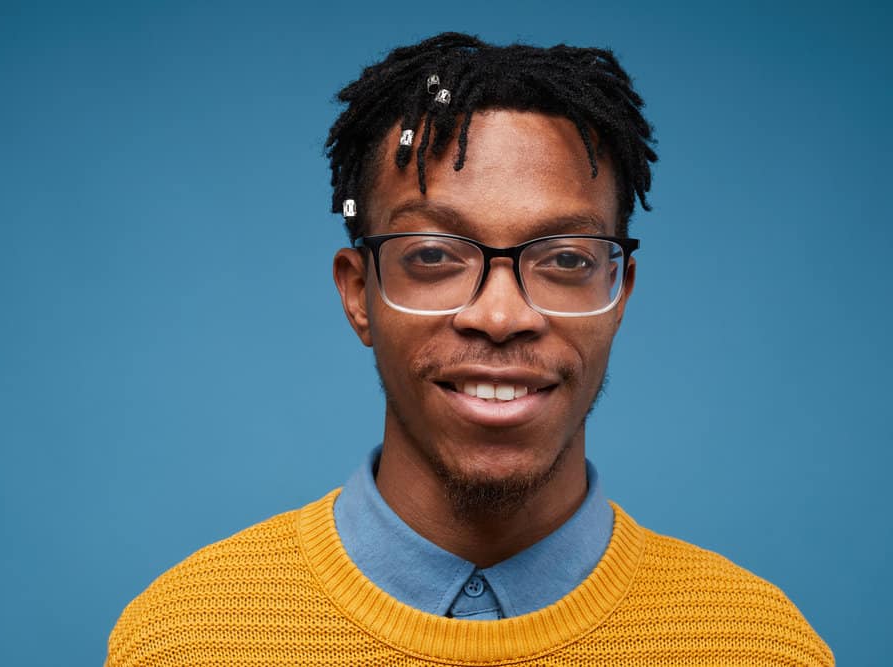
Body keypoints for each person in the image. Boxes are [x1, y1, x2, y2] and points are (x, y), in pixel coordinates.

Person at [105, 32, 833, 666]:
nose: (500, 313)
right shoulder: (183, 641)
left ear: (621, 294)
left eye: (567, 259)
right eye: (431, 254)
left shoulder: (759, 646)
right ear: (358, 292)